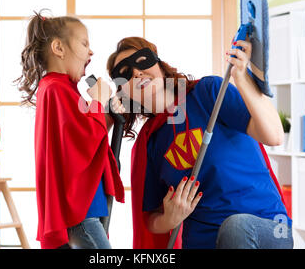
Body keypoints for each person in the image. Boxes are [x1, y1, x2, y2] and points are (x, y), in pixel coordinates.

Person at [106, 36, 293, 249]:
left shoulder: (208, 92)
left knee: (235, 228)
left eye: (141, 61)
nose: (137, 73)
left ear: (158, 64)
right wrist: (169, 219)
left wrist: (241, 79)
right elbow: (151, 219)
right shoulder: (151, 142)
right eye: (125, 73)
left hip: (265, 228)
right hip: (202, 242)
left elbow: (274, 136)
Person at [15, 12, 125, 249]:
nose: (91, 52)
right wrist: (96, 101)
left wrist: (106, 113)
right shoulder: (56, 89)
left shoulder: (63, 88)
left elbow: (84, 140)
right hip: (80, 211)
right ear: (58, 48)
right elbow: (82, 140)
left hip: (85, 206)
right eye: (85, 43)